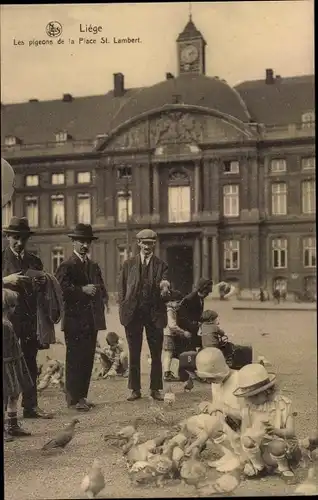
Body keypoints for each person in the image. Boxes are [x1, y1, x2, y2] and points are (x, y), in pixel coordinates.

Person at [2, 216, 53, 419]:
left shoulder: (34, 260)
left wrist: (41, 283)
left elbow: (42, 290)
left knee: (31, 361)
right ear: (7, 236)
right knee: (6, 364)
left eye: (23, 238)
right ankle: (7, 413)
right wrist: (6, 279)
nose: (19, 242)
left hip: (29, 319)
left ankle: (30, 407)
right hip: (7, 321)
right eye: (15, 237)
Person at [55, 223, 109, 412]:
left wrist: (102, 294)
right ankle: (72, 399)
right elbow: (61, 291)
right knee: (74, 359)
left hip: (91, 321)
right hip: (74, 321)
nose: (84, 245)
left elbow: (101, 286)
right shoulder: (66, 265)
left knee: (87, 359)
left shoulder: (93, 266)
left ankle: (82, 397)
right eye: (81, 241)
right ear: (74, 242)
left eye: (87, 241)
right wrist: (82, 290)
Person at [118, 228, 170, 402]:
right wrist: (123, 309)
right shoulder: (128, 264)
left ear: (155, 244)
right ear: (138, 244)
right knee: (134, 352)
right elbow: (122, 290)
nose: (148, 247)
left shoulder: (162, 265)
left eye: (151, 243)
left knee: (156, 354)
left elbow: (166, 287)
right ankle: (135, 389)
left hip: (154, 314)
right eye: (145, 243)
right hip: (133, 315)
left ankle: (155, 389)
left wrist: (165, 289)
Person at [233, 363, 301, 479]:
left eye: (254, 396)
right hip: (262, 450)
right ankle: (259, 467)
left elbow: (290, 432)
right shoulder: (250, 407)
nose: (249, 400)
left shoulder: (283, 404)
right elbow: (245, 432)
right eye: (247, 396)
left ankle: (284, 469)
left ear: (267, 391)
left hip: (283, 448)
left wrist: (276, 431)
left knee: (277, 445)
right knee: (246, 439)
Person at [193, 347, 244, 472]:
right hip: (231, 425)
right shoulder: (216, 383)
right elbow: (217, 406)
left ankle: (240, 456)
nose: (208, 381)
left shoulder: (240, 380)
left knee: (214, 419)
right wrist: (207, 407)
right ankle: (230, 454)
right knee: (205, 420)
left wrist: (221, 408)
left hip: (245, 429)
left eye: (211, 378)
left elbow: (250, 415)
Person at [3, 289, 33, 441]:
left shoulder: (8, 323)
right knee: (7, 395)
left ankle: (12, 424)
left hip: (12, 362)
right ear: (8, 306)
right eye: (13, 305)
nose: (15, 309)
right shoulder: (5, 325)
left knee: (14, 394)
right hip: (7, 364)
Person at [163, 289, 192, 382]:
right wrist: (183, 332)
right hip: (168, 335)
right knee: (168, 354)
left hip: (169, 334)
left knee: (169, 354)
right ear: (171, 302)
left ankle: (167, 372)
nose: (179, 304)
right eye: (177, 302)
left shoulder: (171, 309)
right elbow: (172, 325)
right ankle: (166, 373)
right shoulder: (170, 310)